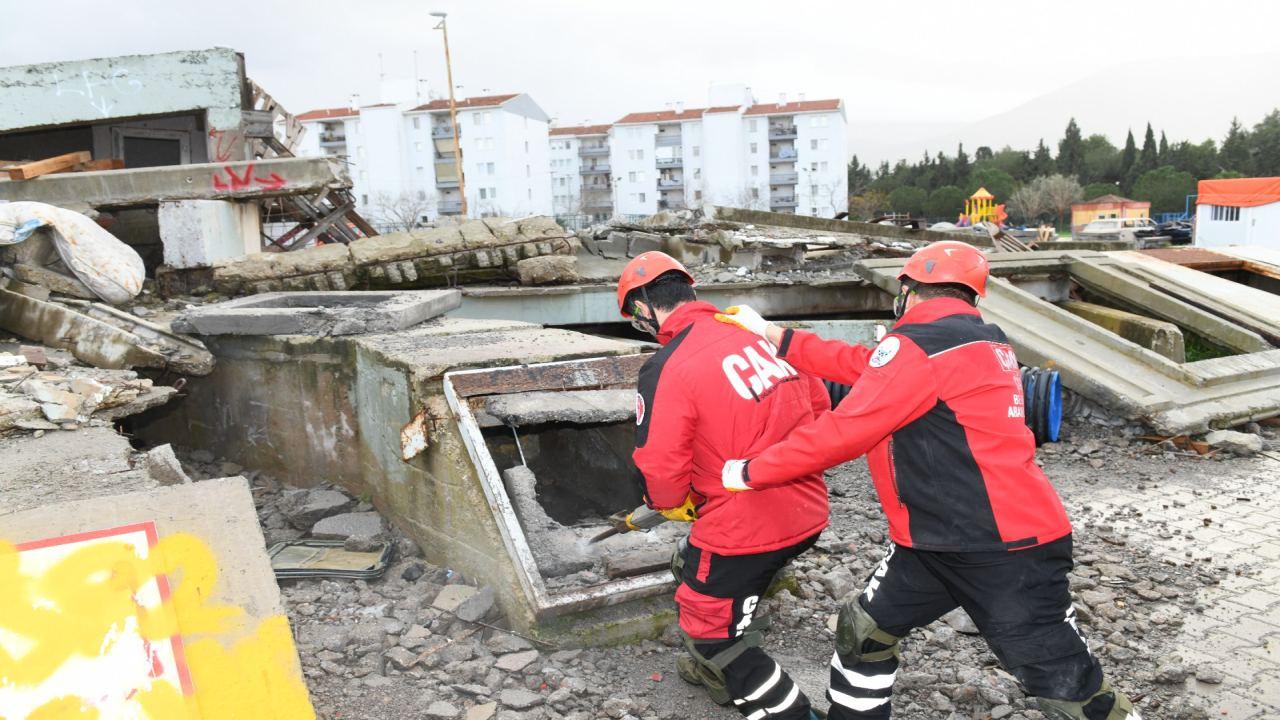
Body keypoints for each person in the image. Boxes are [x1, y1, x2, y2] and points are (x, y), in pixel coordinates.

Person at [715, 241, 1141, 720]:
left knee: (1069, 688)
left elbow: (846, 430)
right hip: (934, 543)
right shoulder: (978, 341)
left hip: (1003, 550)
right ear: (971, 298)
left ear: (907, 292)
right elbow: (865, 367)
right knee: (865, 631)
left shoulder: (920, 345)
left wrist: (748, 472)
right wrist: (774, 335)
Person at [618, 251, 831, 720]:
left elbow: (660, 465)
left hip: (744, 530)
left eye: (637, 320)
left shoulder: (667, 367)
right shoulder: (760, 334)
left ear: (642, 309)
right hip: (807, 510)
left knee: (709, 632)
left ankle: (777, 701)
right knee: (690, 563)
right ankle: (721, 661)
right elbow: (817, 408)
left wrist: (670, 504)